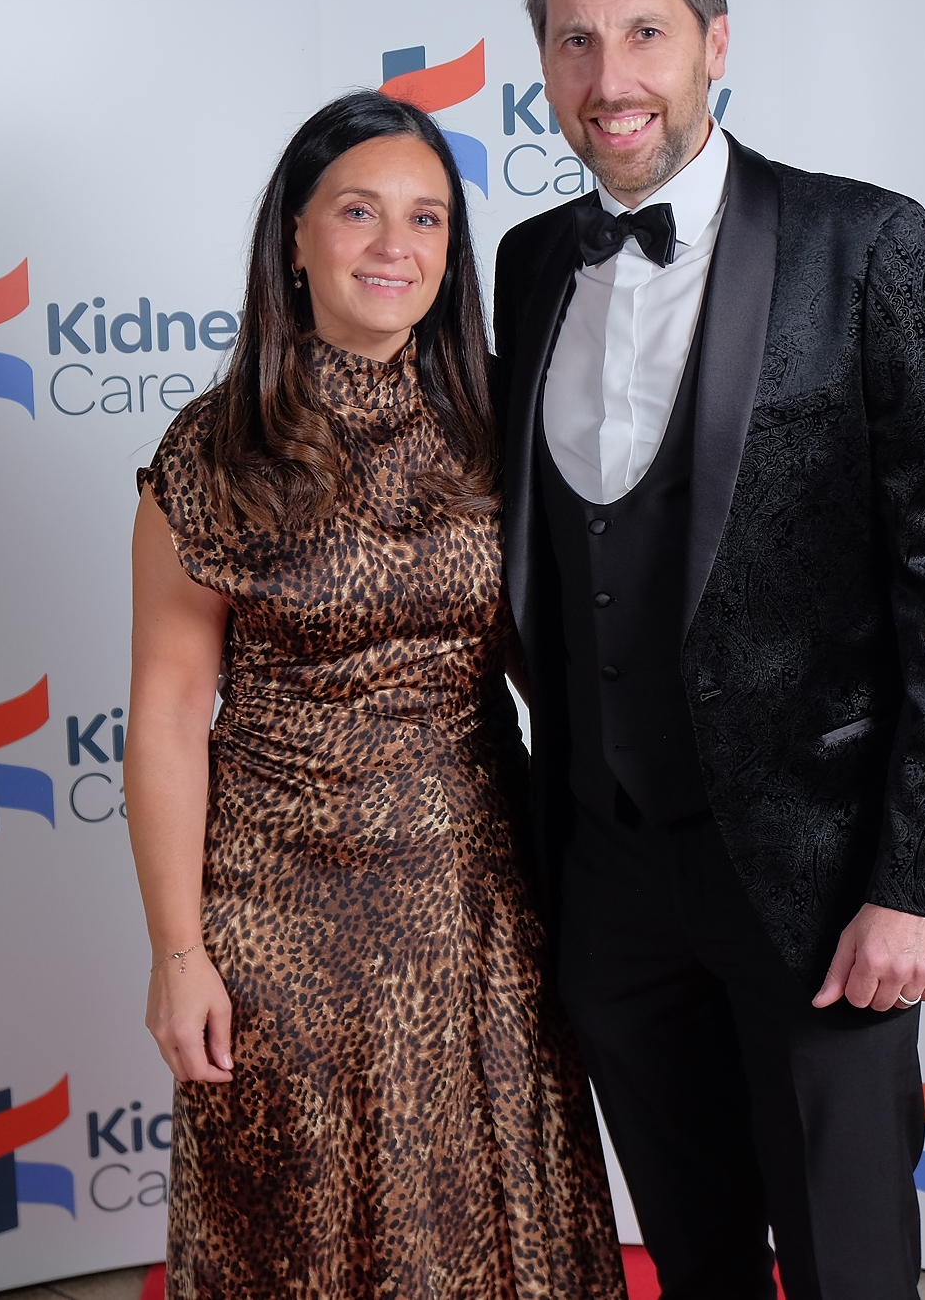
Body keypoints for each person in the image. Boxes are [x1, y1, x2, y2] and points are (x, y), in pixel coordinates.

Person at [491, 0, 925, 1300]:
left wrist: (922, 878)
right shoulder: (529, 263)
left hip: (821, 877)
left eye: (647, 33)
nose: (613, 79)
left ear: (716, 42)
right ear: (543, 65)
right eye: (577, 41)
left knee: (849, 1265)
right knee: (694, 1251)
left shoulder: (869, 245)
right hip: (607, 873)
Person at [125, 91, 626, 1300]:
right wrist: (178, 954)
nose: (394, 247)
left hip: (478, 901)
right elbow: (165, 714)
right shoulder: (210, 451)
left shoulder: (505, 419)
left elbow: (564, 659)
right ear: (295, 236)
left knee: (500, 1230)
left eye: (426, 219)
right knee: (302, 1233)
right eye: (359, 212)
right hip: (281, 914)